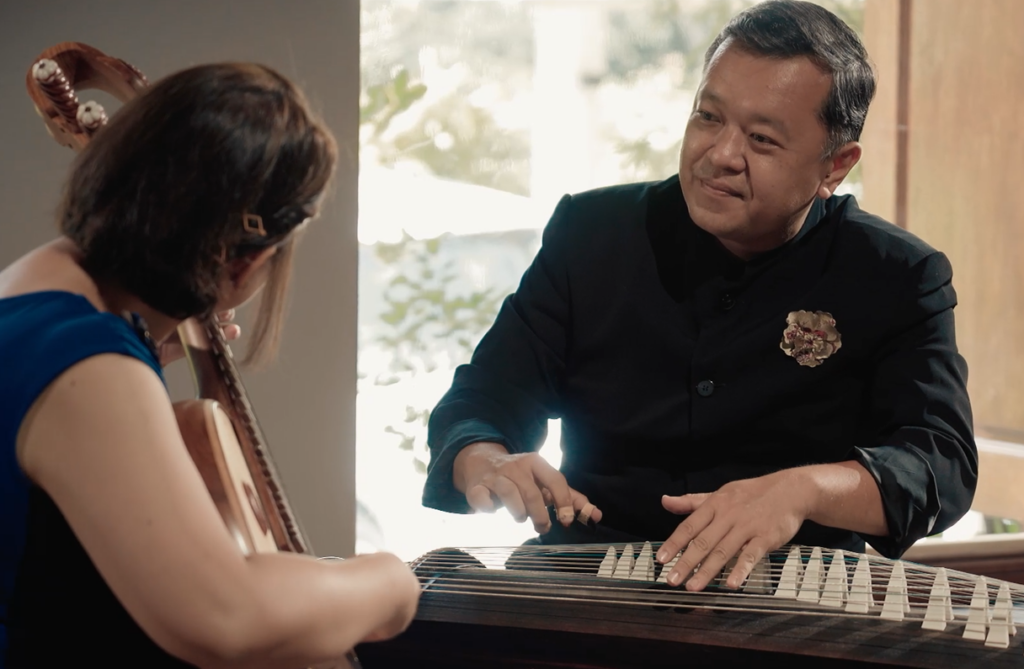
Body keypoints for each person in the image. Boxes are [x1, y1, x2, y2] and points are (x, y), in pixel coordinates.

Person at [422, 0, 976, 593]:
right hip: (590, 581)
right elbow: (486, 395)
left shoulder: (895, 275)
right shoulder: (593, 233)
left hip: (792, 606)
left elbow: (938, 463)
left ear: (834, 168)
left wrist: (800, 489)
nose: (720, 156)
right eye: (708, 118)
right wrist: (485, 456)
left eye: (761, 139)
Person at [0, 62, 420, 667]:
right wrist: (389, 583)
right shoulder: (82, 357)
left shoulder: (41, 284)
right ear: (245, 262)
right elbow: (227, 617)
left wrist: (143, 358)